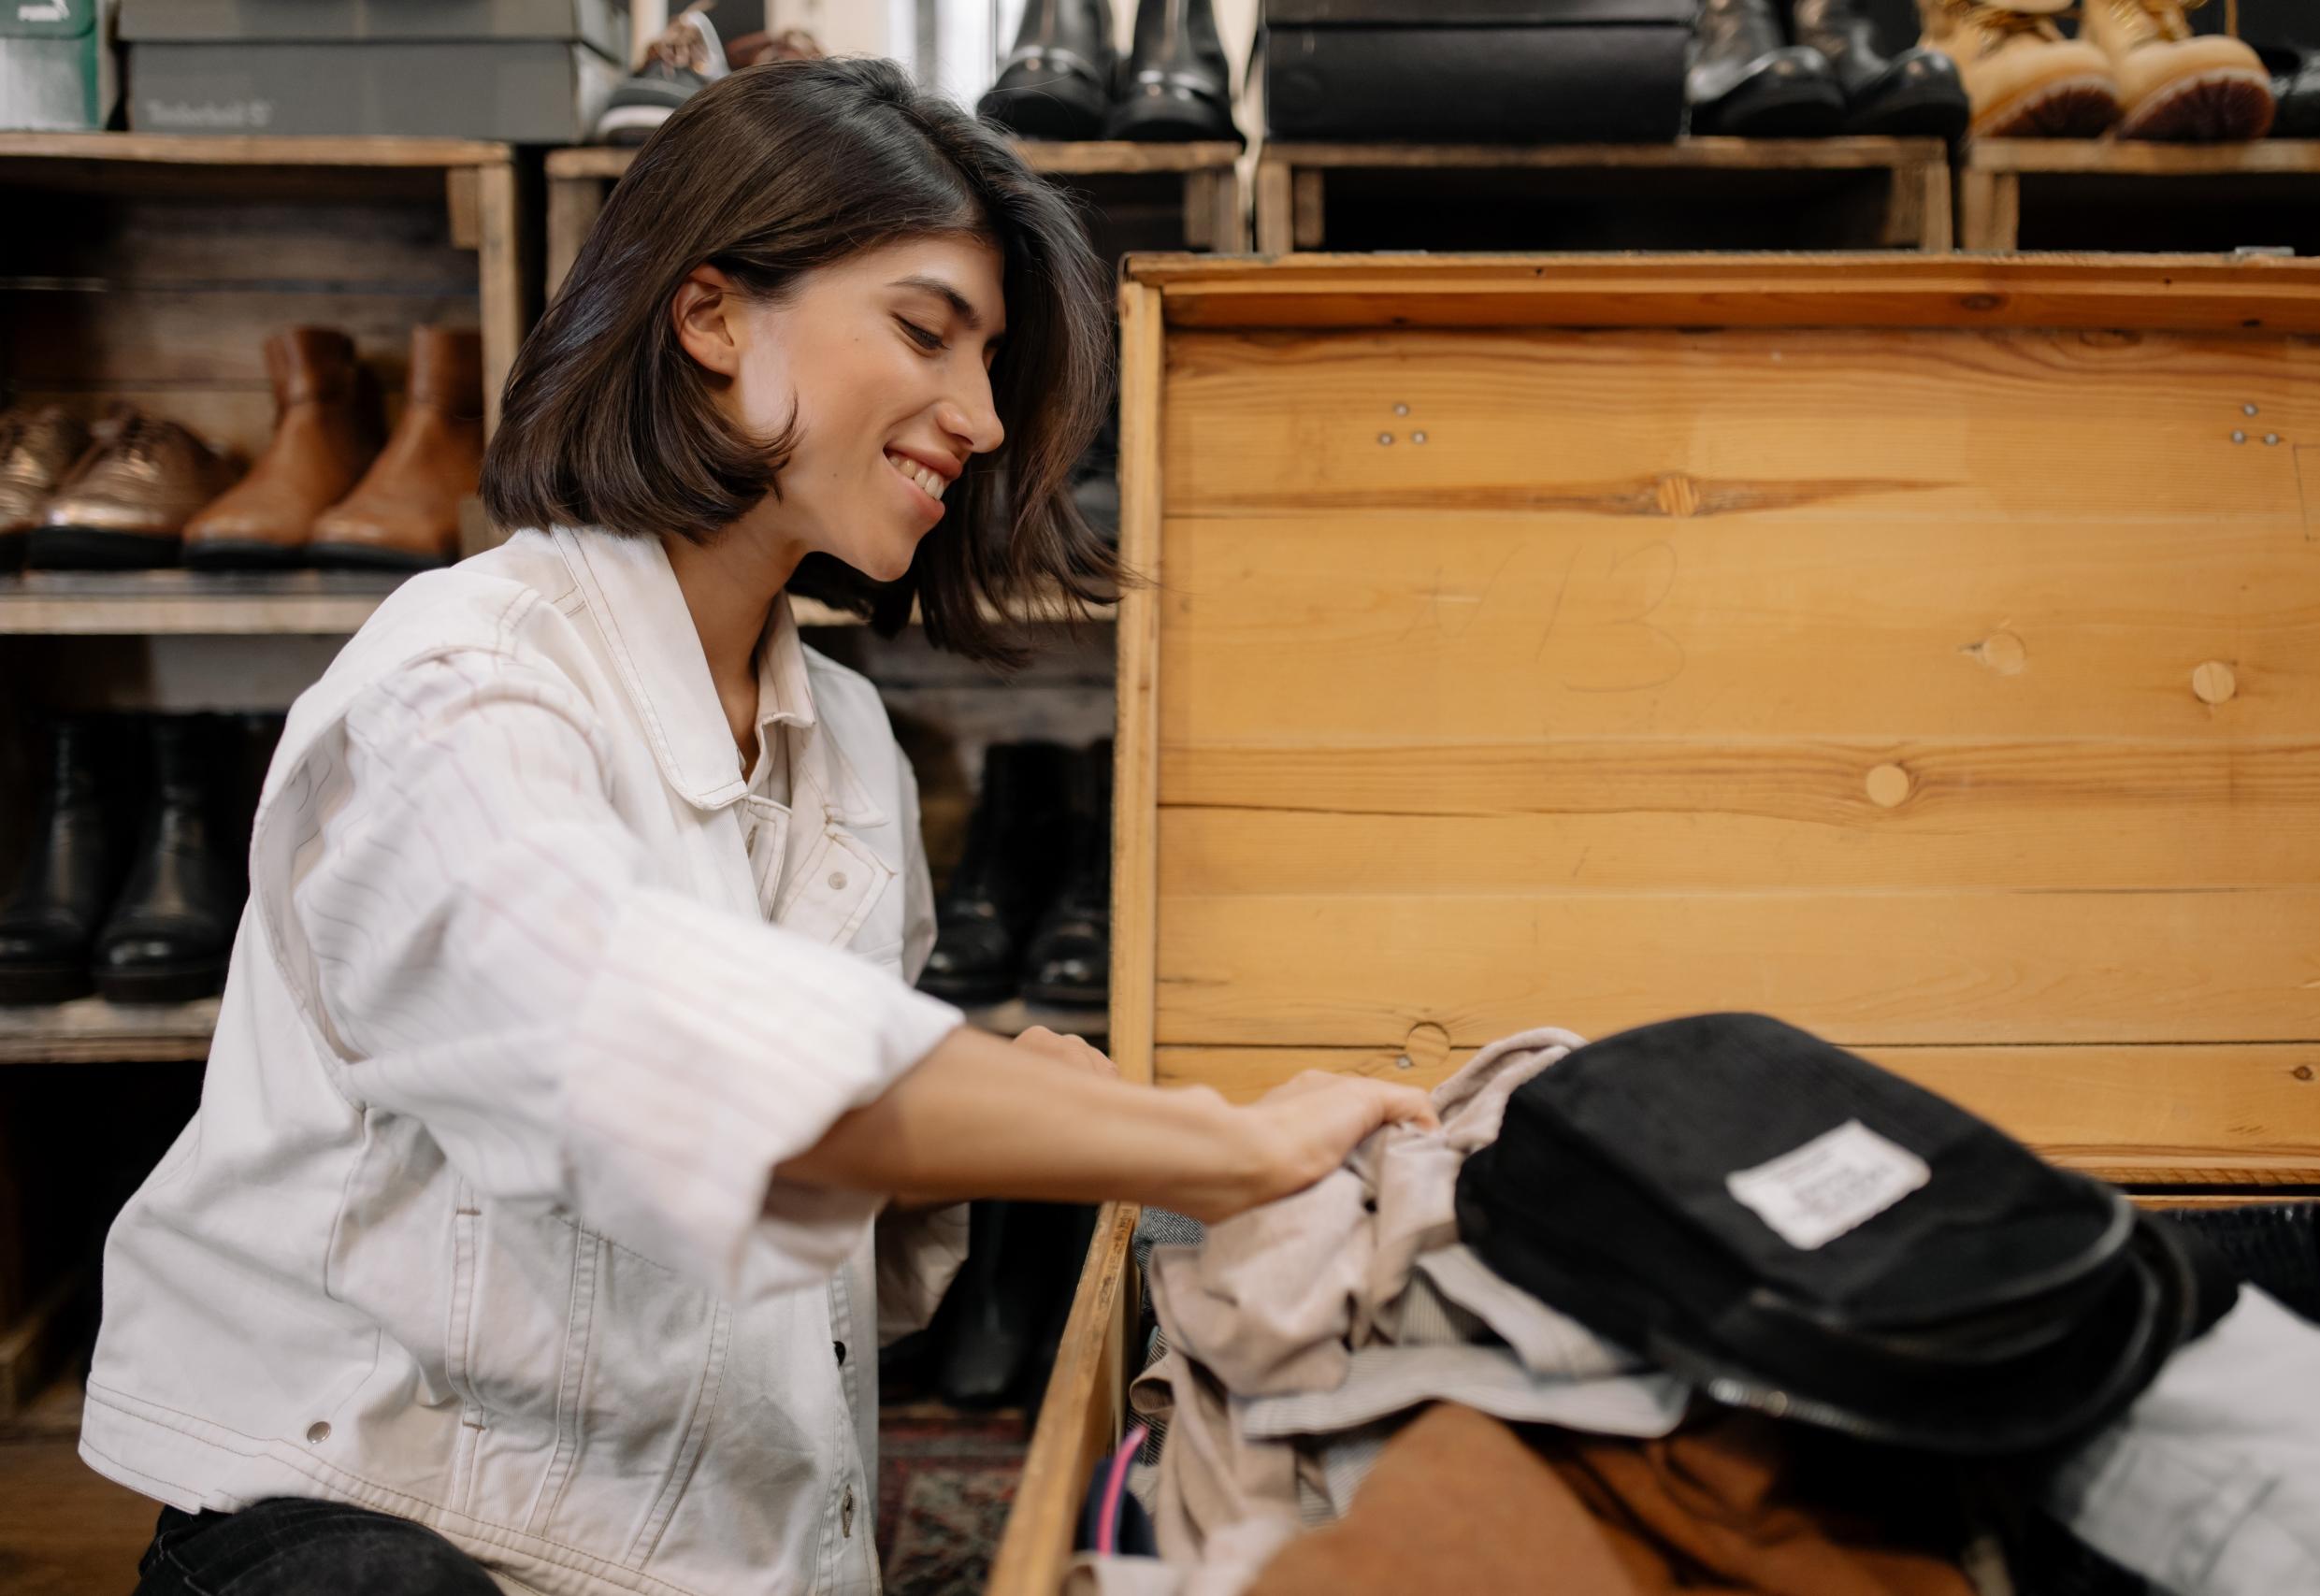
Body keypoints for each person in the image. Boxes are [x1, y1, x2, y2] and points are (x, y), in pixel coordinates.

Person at [81, 59, 1433, 1596]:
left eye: (995, 364)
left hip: (734, 1550)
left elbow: (789, 1268)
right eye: (926, 331)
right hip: (391, 1534)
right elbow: (626, 1044)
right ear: (712, 316)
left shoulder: (846, 742)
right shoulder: (459, 686)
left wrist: (955, 1146)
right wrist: (1212, 1145)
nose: (984, 419)